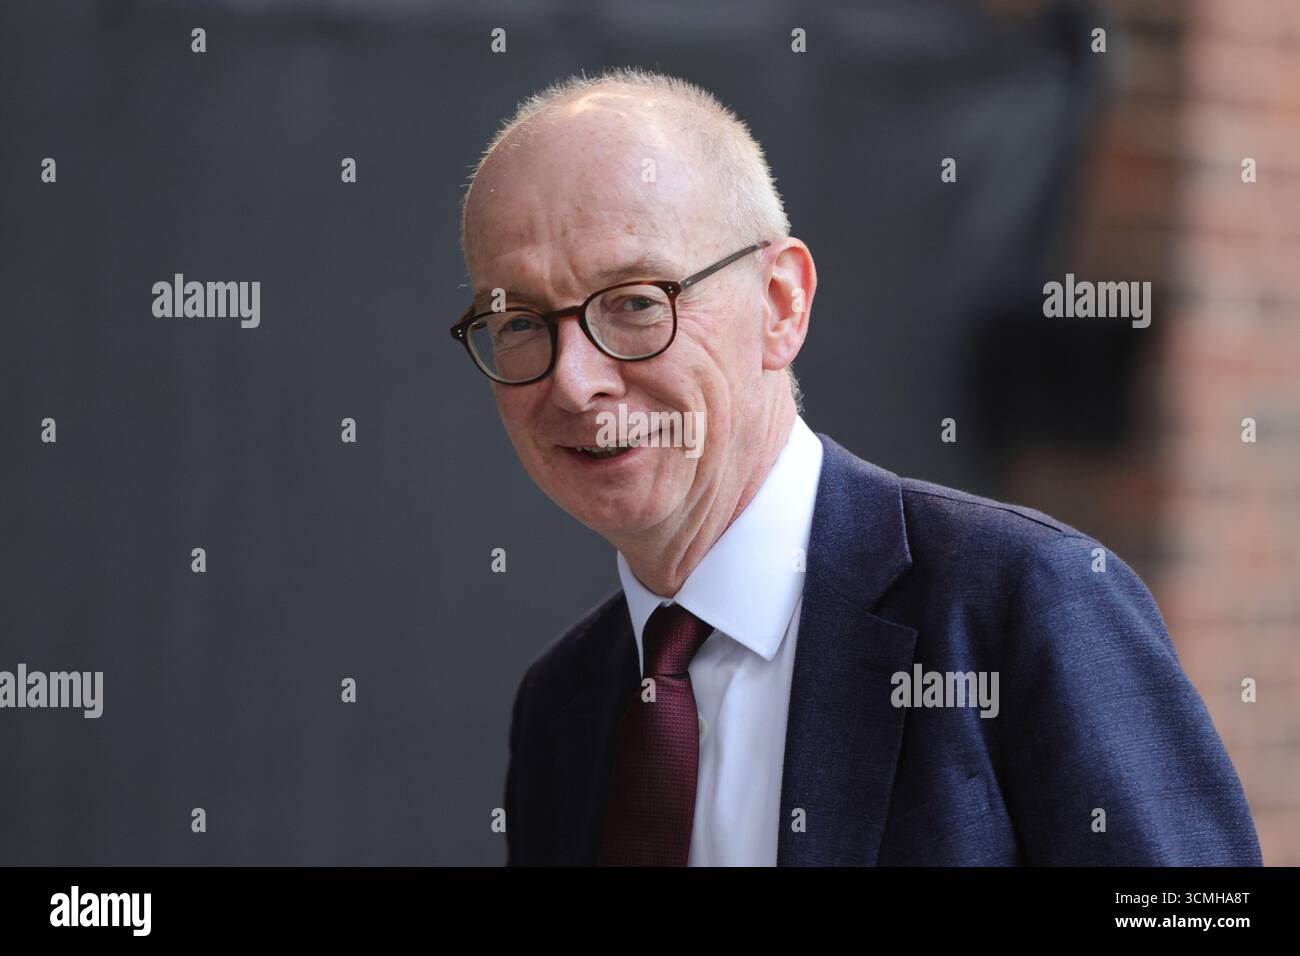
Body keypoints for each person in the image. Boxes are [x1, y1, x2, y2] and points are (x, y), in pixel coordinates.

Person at [450, 67, 1262, 866]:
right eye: (518, 320)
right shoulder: (563, 707)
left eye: (633, 302)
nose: (573, 380)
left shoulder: (1019, 603)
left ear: (781, 306)